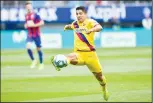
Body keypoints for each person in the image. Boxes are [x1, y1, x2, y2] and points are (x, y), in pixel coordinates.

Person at [51, 6, 109, 101]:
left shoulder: (90, 22)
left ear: (85, 14)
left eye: (80, 13)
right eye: (77, 14)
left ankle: (104, 89)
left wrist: (92, 30)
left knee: (100, 77)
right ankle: (59, 62)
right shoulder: (75, 24)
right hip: (79, 54)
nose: (78, 15)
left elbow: (100, 27)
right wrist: (67, 27)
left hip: (91, 56)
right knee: (69, 57)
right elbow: (72, 26)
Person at [24, 2, 44, 70]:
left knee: (38, 48)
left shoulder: (36, 14)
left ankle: (41, 63)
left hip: (36, 34)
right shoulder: (26, 15)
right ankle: (33, 60)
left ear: (31, 7)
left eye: (29, 6)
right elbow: (26, 24)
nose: (28, 8)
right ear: (26, 8)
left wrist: (34, 25)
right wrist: (26, 25)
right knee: (28, 46)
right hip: (30, 34)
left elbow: (42, 22)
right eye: (27, 7)